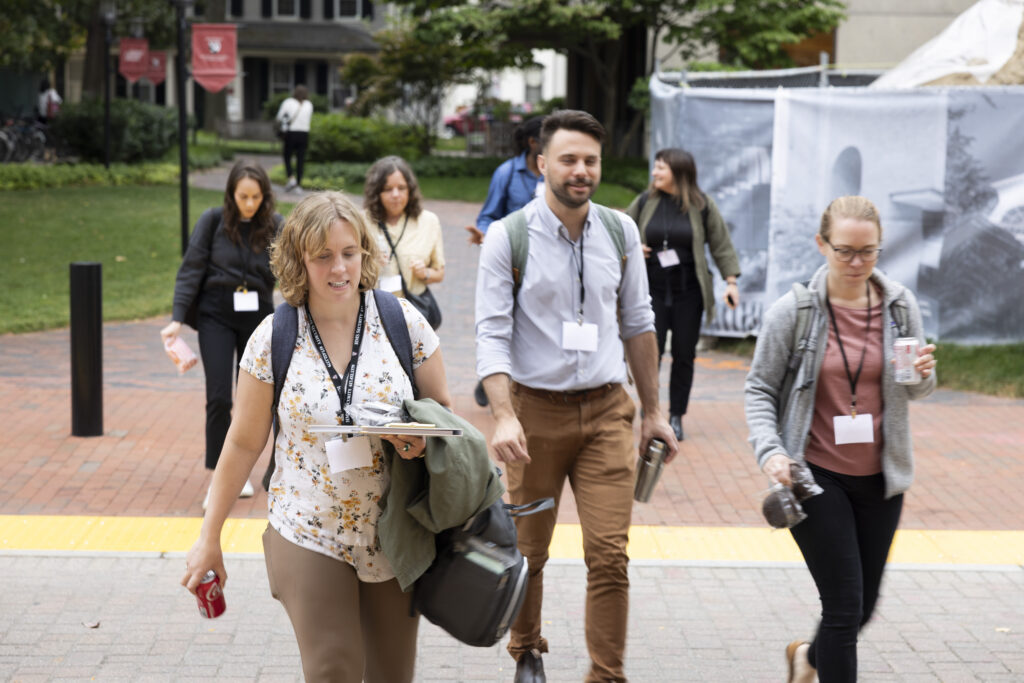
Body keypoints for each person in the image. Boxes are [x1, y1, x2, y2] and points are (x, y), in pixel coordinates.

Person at [181, 191, 469, 682]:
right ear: (298, 260)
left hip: (394, 530)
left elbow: (441, 409)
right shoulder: (274, 337)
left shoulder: (403, 322)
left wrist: (418, 438)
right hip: (307, 527)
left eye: (350, 253)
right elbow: (243, 443)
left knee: (391, 675)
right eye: (324, 256)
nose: (340, 269)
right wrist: (210, 537)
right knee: (333, 667)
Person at [475, 109, 679, 683]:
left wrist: (654, 413)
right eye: (568, 159)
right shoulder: (508, 237)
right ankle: (527, 650)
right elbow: (490, 333)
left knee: (610, 555)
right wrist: (505, 416)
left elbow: (639, 323)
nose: (580, 170)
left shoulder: (620, 230)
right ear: (542, 162)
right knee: (529, 553)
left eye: (590, 159)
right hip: (534, 415)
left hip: (608, 412)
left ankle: (606, 673)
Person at [744, 196, 937, 683]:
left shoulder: (898, 307)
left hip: (881, 478)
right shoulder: (797, 311)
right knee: (844, 607)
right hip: (814, 475)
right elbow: (760, 387)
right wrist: (771, 453)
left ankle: (807, 658)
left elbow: (916, 388)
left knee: (863, 607)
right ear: (822, 245)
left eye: (867, 252)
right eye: (845, 251)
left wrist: (922, 375)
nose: (856, 262)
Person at [160, 162, 283, 508]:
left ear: (265, 196)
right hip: (216, 315)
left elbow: (295, 266)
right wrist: (177, 319)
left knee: (259, 399)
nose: (249, 204)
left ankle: (275, 470)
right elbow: (191, 270)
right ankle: (221, 477)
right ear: (231, 194)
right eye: (242, 196)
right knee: (219, 397)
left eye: (256, 197)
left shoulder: (275, 225)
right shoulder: (212, 221)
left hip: (258, 319)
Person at [625, 148, 740, 441]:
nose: (655, 173)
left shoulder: (702, 206)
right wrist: (634, 247)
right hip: (651, 290)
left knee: (684, 355)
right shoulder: (645, 201)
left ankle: (677, 414)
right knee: (651, 352)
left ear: (677, 171)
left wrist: (731, 282)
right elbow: (621, 232)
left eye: (660, 168)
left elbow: (721, 244)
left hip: (689, 292)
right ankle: (651, 409)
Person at [466, 115, 545, 406]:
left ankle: (512, 379)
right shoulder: (507, 173)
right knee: (506, 322)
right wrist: (485, 234)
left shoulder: (554, 175)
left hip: (546, 266)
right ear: (533, 141)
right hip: (511, 264)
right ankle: (493, 376)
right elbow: (487, 216)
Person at [362, 156, 445, 303]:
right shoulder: (362, 221)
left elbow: (439, 274)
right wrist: (369, 263)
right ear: (376, 192)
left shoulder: (429, 221)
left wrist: (424, 273)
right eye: (388, 189)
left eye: (401, 188)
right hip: (373, 307)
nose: (395, 195)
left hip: (412, 311)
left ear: (410, 190)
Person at [276, 84, 313, 192]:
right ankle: (299, 184)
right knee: (300, 159)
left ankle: (291, 178)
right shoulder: (309, 104)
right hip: (304, 133)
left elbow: (279, 117)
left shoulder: (288, 102)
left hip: (291, 133)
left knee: (287, 156)